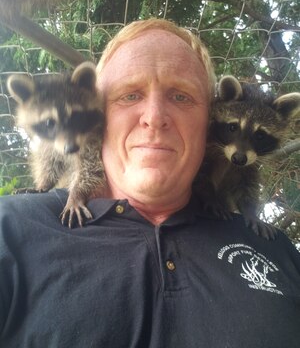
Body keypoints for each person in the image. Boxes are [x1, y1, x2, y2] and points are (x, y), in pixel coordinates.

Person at [0, 18, 300, 348]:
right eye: (129, 95)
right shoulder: (12, 228)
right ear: (101, 114)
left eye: (182, 97)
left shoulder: (277, 252)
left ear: (208, 119)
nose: (154, 116)